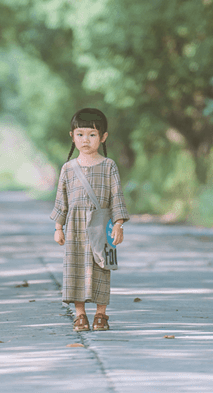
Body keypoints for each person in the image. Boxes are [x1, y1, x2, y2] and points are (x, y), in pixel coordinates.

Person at [50, 108, 129, 332]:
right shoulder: (68, 169)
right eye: (80, 134)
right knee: (75, 268)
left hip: (102, 226)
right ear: (72, 136)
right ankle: (80, 315)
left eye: (92, 135)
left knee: (102, 268)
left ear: (103, 137)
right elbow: (61, 201)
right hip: (75, 228)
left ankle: (101, 314)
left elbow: (117, 196)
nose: (86, 140)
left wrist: (119, 224)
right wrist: (58, 227)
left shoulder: (109, 166)